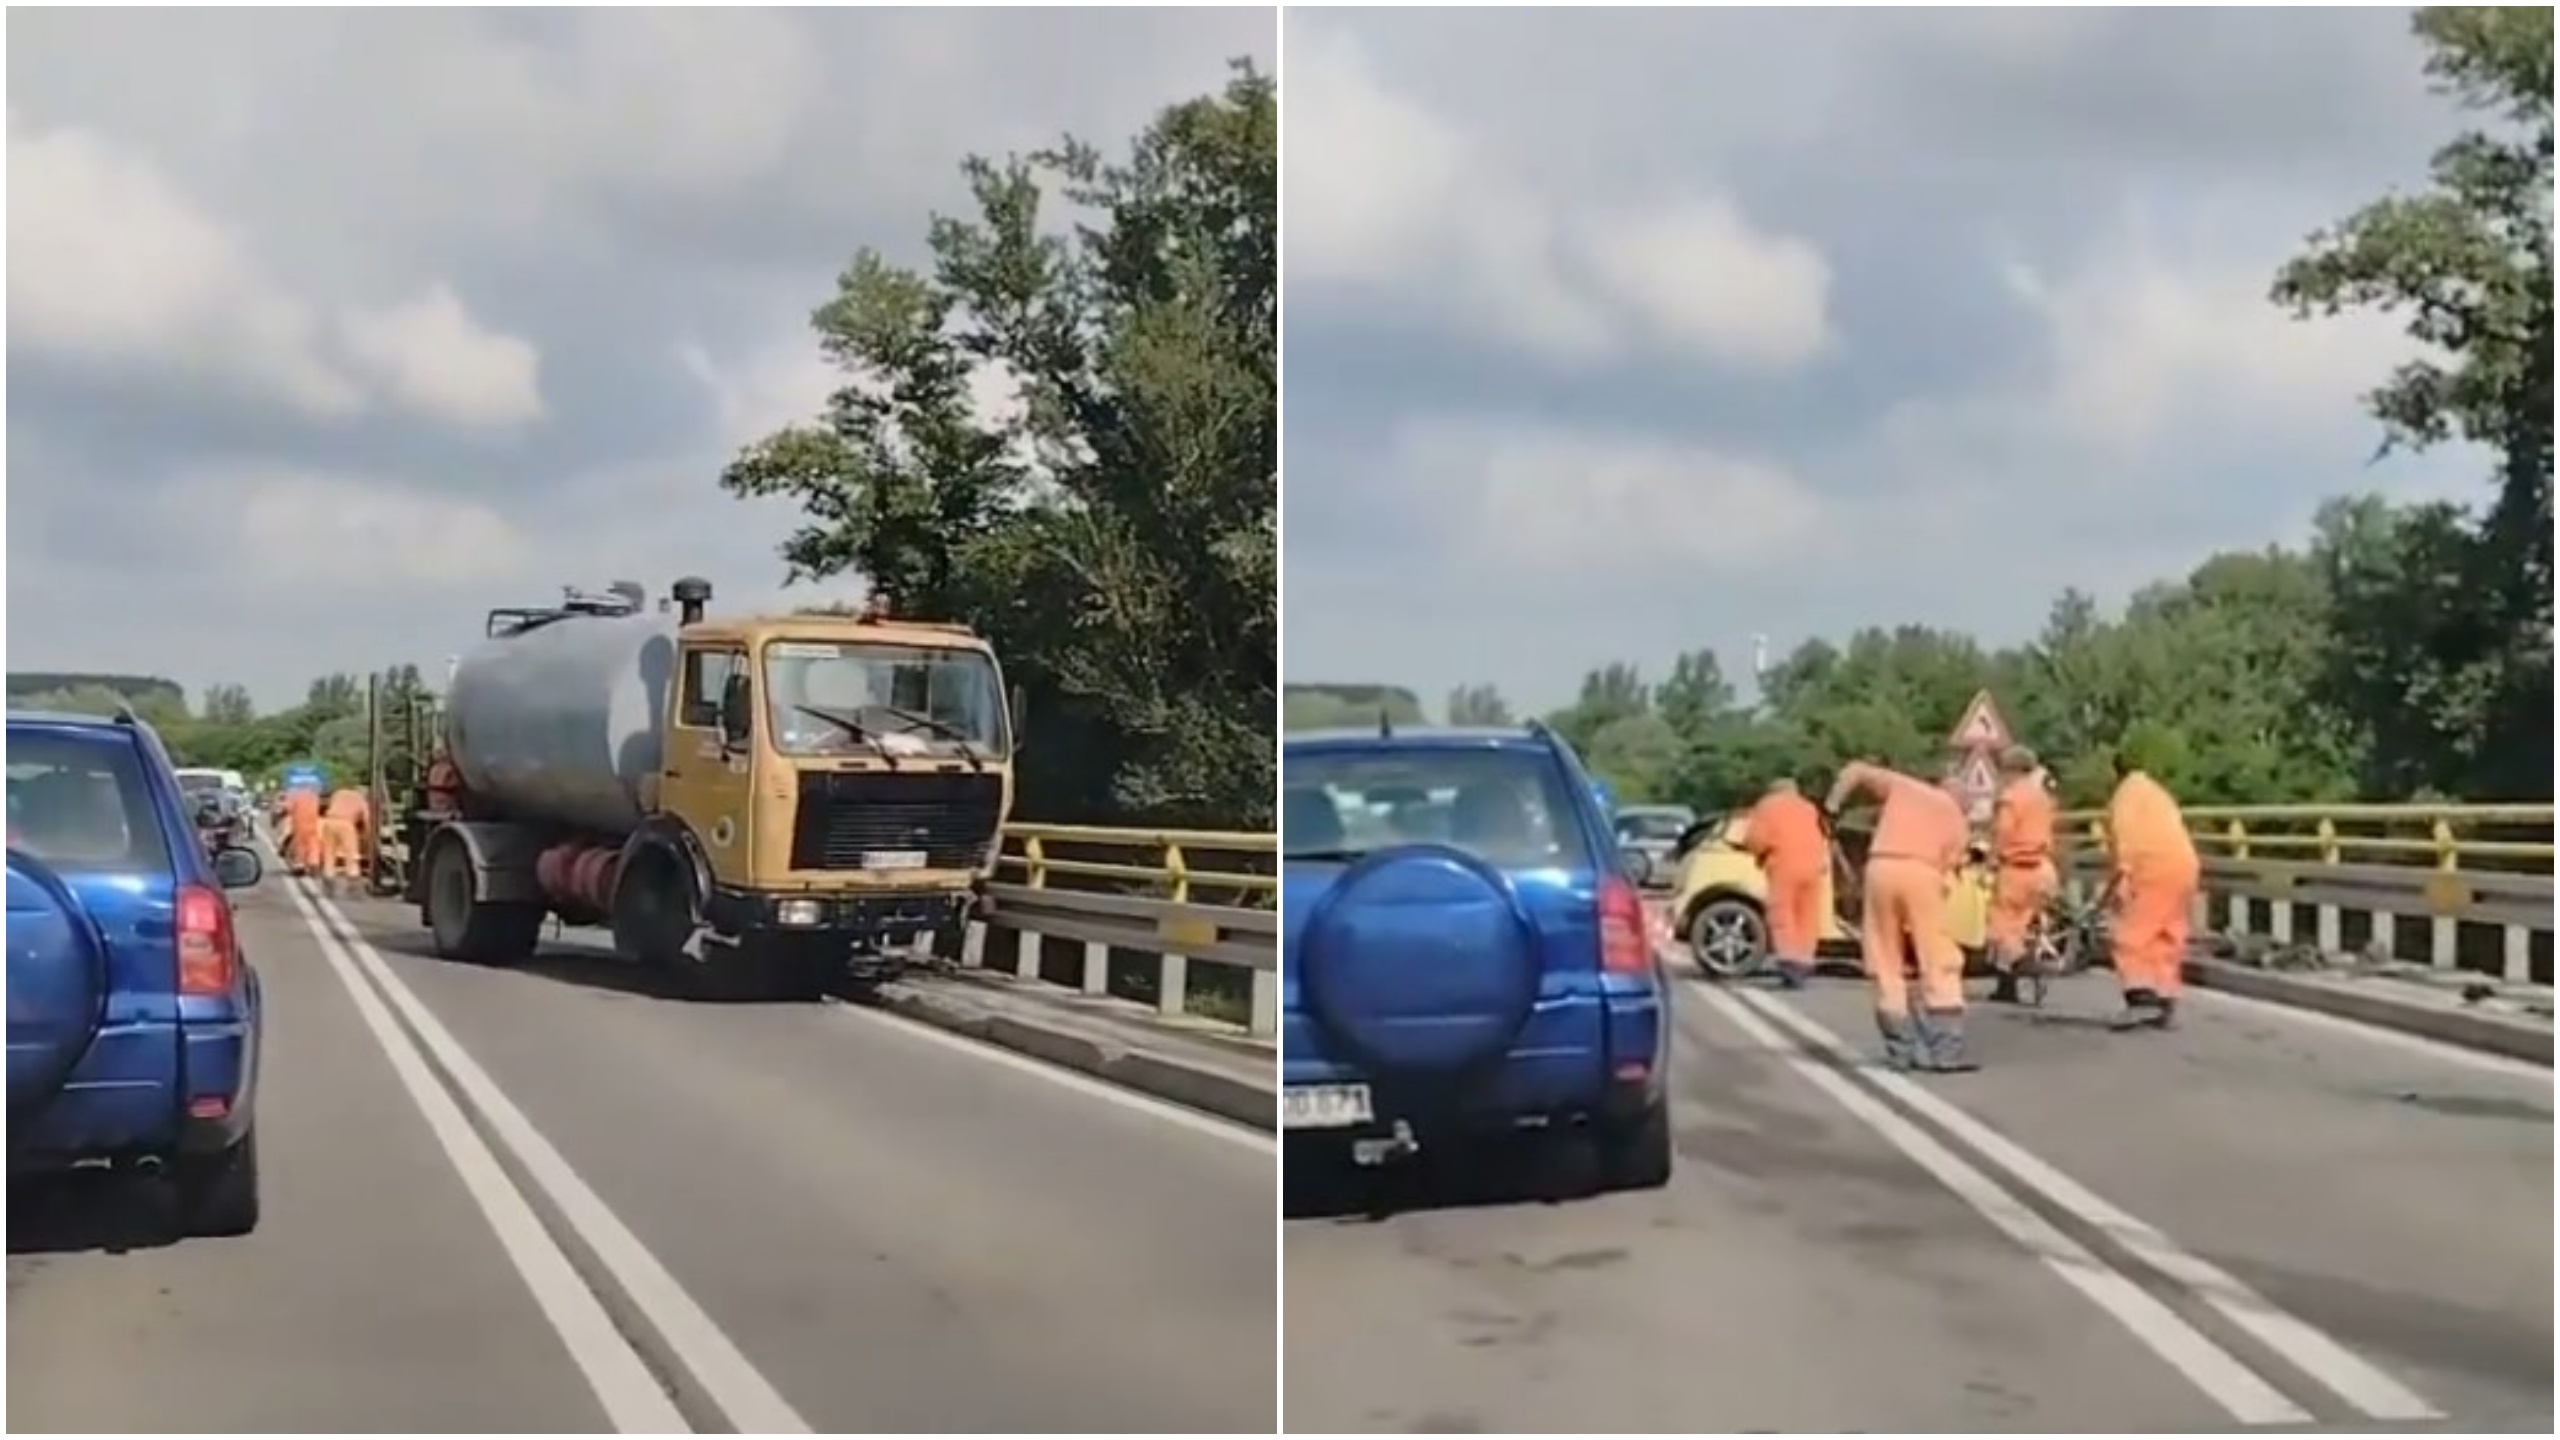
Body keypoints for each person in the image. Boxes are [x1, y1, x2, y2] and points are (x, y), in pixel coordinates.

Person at [1824, 760, 1977, 1072]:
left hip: (1880, 868)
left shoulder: (1904, 787)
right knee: (1938, 955)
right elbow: (1952, 872)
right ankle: (1944, 1049)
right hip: (1923, 872)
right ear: (1959, 797)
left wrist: (1832, 804)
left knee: (1883, 955)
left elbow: (1856, 770)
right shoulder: (1956, 820)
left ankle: (1900, 1047)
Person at [2102, 749, 2200, 1030]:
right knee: (2166, 935)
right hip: (2183, 865)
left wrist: (2123, 874)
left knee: (2131, 934)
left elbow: (2126, 837)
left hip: (2151, 869)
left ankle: (2141, 998)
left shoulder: (2125, 796)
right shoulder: (2158, 793)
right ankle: (2165, 997)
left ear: (2115, 772)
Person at [1984, 745, 2059, 1005]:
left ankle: (2026, 967)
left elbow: (2004, 830)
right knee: (2020, 929)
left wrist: (1992, 858)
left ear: (2011, 770)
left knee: (2001, 929)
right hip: (2040, 868)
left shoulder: (2012, 797)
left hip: (2015, 868)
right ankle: (2007, 988)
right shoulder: (2042, 798)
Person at [1741, 777, 1828, 989]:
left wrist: (1756, 853)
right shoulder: (1809, 808)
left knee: (1782, 913)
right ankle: (1806, 958)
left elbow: (1756, 839)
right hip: (1814, 865)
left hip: (1784, 865)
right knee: (1807, 915)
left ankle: (1790, 963)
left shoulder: (1768, 807)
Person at [322, 786, 370, 889]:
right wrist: (367, 835)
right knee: (351, 852)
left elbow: (331, 804)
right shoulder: (361, 800)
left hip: (329, 821)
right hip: (346, 823)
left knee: (329, 851)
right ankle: (352, 875)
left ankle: (328, 874)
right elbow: (367, 820)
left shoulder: (339, 792)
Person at [285, 786, 324, 877]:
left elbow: (289, 809)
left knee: (300, 845)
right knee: (313, 844)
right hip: (313, 824)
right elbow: (318, 808)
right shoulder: (314, 796)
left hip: (299, 824)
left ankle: (300, 864)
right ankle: (314, 862)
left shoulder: (295, 795)